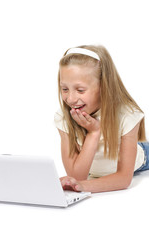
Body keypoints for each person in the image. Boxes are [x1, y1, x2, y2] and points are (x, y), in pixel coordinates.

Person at [54, 45, 149, 193]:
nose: (71, 99)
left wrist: (85, 186)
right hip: (96, 173)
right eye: (65, 89)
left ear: (104, 86)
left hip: (141, 157)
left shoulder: (127, 114)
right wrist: (93, 133)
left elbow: (124, 178)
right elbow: (77, 176)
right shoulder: (63, 117)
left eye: (80, 90)